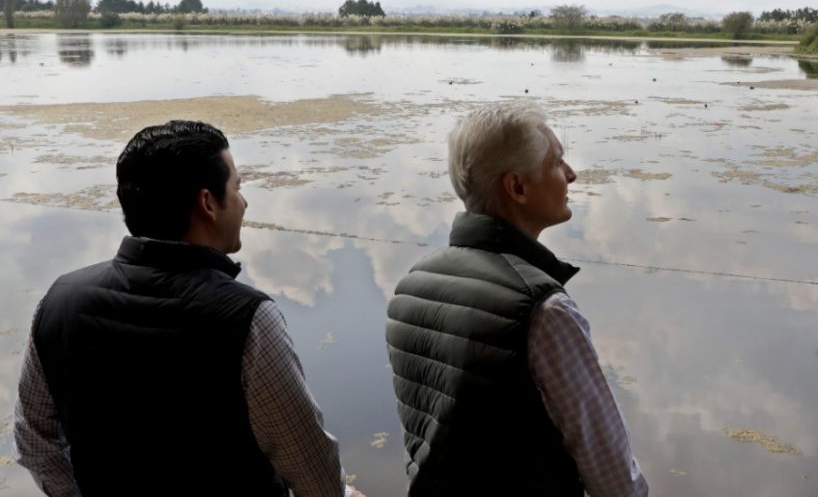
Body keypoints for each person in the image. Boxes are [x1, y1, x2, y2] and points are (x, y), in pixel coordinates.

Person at [14, 120, 360, 497]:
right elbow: (312, 470)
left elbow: (34, 442)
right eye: (237, 187)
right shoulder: (248, 319)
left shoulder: (59, 301)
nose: (244, 203)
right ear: (208, 203)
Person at [385, 102, 648, 496]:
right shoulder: (544, 311)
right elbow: (613, 479)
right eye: (558, 162)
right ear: (517, 187)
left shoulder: (413, 284)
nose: (572, 175)